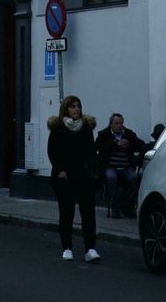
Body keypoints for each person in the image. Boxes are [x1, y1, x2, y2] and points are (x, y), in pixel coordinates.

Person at [48, 95, 100, 263]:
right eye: (72, 107)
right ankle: (67, 247)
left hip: (84, 176)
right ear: (66, 109)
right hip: (64, 177)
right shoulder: (58, 128)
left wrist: (93, 171)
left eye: (78, 106)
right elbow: (52, 152)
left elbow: (91, 152)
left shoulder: (86, 128)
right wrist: (60, 170)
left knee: (88, 213)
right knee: (66, 213)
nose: (76, 109)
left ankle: (90, 248)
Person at [95, 113, 146, 218]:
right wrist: (115, 144)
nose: (119, 126)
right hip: (111, 167)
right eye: (116, 123)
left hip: (126, 166)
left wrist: (129, 144)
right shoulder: (104, 134)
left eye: (121, 123)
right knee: (111, 177)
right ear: (111, 124)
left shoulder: (129, 134)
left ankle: (127, 206)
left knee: (134, 178)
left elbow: (141, 145)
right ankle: (115, 207)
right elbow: (98, 148)